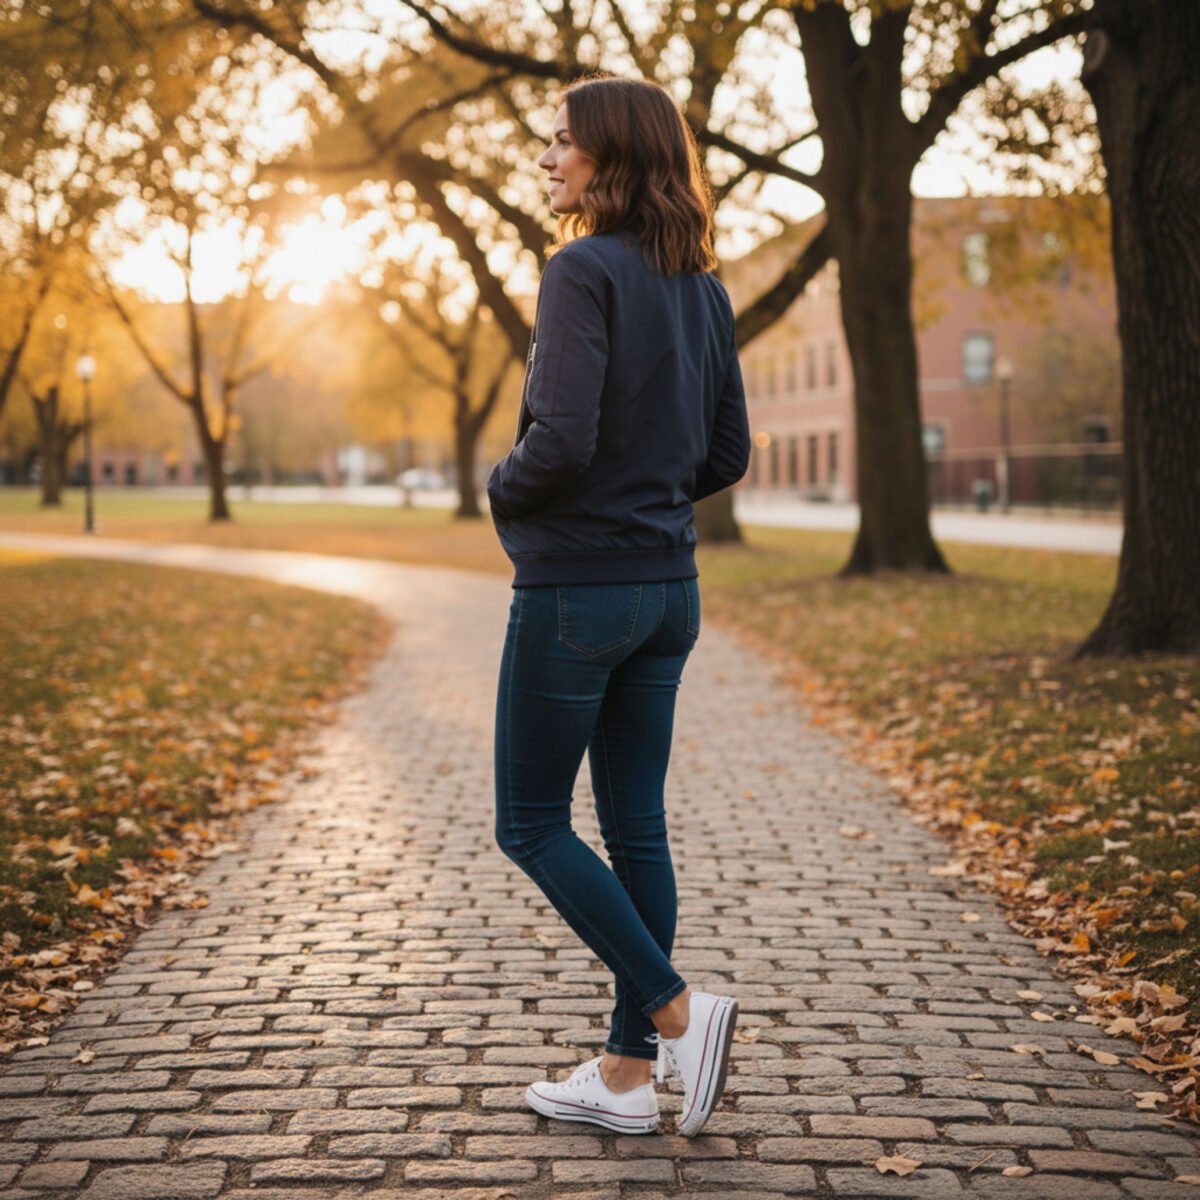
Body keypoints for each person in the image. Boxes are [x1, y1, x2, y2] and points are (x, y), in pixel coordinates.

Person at [487, 74, 750, 1138]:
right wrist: (648, 502)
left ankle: (681, 1013)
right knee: (634, 826)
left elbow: (560, 441)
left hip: (580, 593)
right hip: (669, 590)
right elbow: (726, 451)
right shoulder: (704, 286)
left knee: (531, 823)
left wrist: (500, 488)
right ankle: (627, 1082)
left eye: (564, 144)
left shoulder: (579, 269)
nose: (548, 159)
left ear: (612, 158)